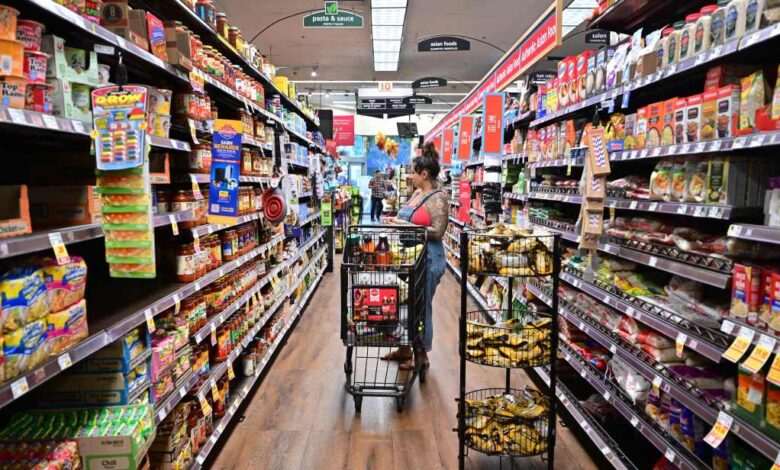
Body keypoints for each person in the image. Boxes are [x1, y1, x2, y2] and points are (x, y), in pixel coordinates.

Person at [381, 142, 449, 371]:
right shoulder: (419, 193)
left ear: (425, 174)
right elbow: (407, 219)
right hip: (410, 257)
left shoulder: (438, 198)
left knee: (421, 306)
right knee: (405, 303)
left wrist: (406, 226)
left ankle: (422, 355)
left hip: (429, 258)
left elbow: (438, 232)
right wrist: (395, 221)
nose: (410, 176)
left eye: (413, 172)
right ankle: (404, 349)